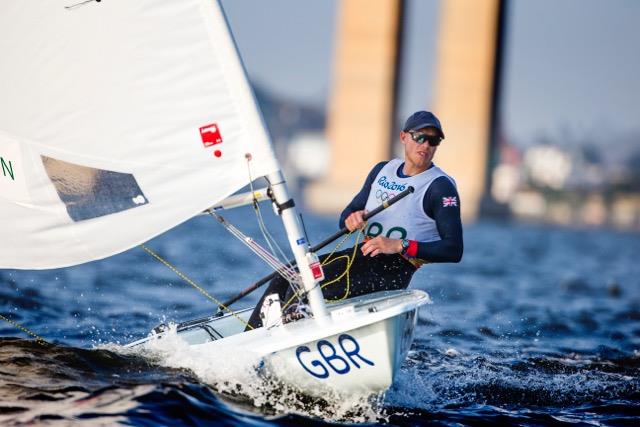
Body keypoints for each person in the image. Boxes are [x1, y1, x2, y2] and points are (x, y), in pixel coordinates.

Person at [246, 110, 463, 329]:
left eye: (433, 140)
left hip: (394, 270)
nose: (426, 145)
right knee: (287, 276)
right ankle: (248, 341)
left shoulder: (440, 187)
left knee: (307, 289)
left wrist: (399, 245)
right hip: (360, 256)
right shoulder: (382, 170)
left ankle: (287, 337)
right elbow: (347, 216)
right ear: (404, 137)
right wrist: (351, 219)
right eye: (420, 137)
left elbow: (453, 250)